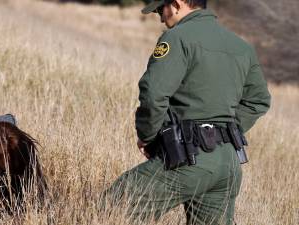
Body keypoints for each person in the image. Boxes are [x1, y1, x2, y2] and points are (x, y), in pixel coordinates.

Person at [101, 0, 271, 224]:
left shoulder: (177, 38)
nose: (161, 17)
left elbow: (153, 94)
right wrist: (224, 132)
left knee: (112, 208)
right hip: (228, 164)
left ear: (177, 3)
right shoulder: (241, 46)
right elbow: (259, 100)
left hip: (189, 157)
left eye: (161, 9)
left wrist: (148, 136)